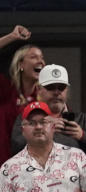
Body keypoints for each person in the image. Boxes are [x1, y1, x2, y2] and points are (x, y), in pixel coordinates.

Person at [10, 64, 86, 167]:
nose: (56, 92)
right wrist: (45, 129)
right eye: (50, 87)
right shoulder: (26, 117)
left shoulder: (81, 120)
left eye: (61, 87)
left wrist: (82, 136)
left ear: (67, 90)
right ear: (38, 89)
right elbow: (16, 149)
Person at [0, 30, 40, 166]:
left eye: (42, 57)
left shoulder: (46, 95)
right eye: (34, 57)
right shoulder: (6, 89)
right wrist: (11, 37)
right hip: (5, 167)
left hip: (36, 170)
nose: (40, 61)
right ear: (21, 64)